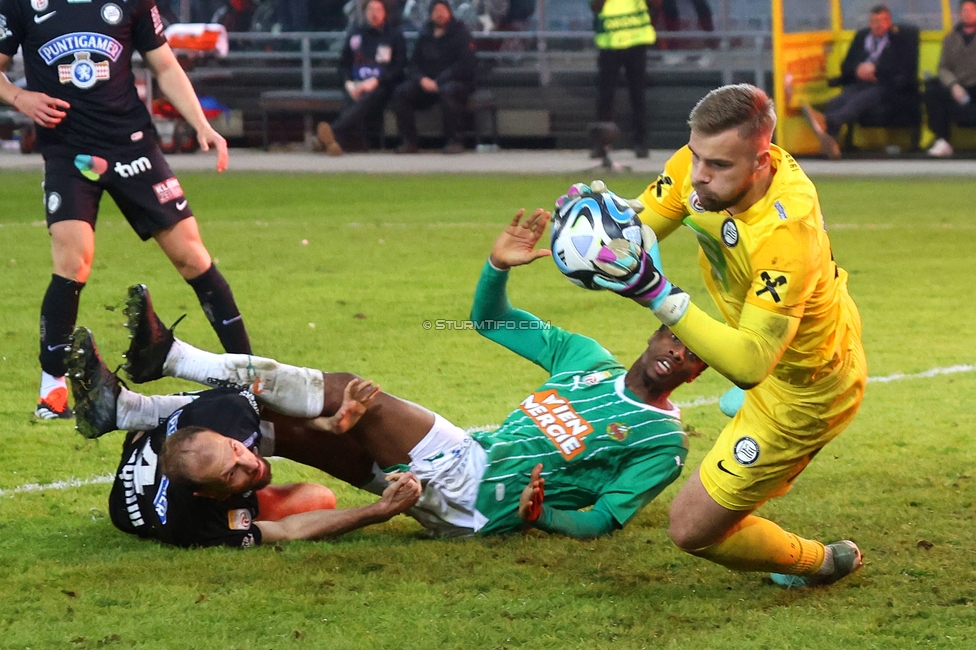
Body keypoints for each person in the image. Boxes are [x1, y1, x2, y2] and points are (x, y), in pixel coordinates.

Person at [73, 218, 707, 539]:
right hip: (462, 462)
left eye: (694, 354)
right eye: (675, 338)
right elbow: (490, 322)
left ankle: (174, 358)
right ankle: (123, 409)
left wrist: (537, 517)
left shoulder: (662, 444)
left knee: (352, 387)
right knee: (286, 427)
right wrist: (496, 266)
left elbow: (603, 521)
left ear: (703, 366)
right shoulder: (586, 360)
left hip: (480, 492)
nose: (677, 356)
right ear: (654, 329)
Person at [587, 83, 867, 587]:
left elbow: (750, 364)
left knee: (691, 529)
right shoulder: (700, 166)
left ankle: (819, 562)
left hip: (806, 387)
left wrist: (656, 292)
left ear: (761, 161)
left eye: (717, 165)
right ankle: (740, 409)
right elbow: (640, 231)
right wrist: (596, 232)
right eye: (695, 155)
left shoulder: (786, 232)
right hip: (767, 346)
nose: (697, 175)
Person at [0, 0, 252, 420]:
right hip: (69, 152)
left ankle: (249, 372)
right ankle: (53, 389)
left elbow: (165, 66)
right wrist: (18, 97)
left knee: (191, 256)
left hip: (132, 145)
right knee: (72, 259)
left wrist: (202, 124)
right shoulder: (22, 3)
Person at [67, 325, 422, 548]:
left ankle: (133, 409)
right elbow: (286, 531)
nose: (249, 463)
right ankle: (134, 406)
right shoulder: (192, 524)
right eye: (231, 473)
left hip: (153, 440)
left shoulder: (225, 417)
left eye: (237, 450)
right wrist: (377, 511)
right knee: (319, 498)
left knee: (246, 398)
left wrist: (326, 424)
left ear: (222, 435)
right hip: (135, 497)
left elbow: (263, 404)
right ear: (206, 492)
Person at [802, 4, 918, 159]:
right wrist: (858, 69)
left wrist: (875, 69)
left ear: (889, 22)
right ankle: (832, 144)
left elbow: (904, 66)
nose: (878, 25)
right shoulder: (862, 37)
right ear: (869, 23)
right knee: (836, 102)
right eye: (874, 21)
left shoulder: (899, 39)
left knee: (857, 101)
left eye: (882, 21)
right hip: (860, 82)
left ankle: (826, 121)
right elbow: (847, 64)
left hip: (886, 85)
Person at [314, 0, 407, 155]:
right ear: (364, 13)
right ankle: (334, 143)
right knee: (354, 98)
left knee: (367, 98)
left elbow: (398, 68)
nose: (374, 13)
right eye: (370, 9)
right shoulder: (356, 34)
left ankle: (332, 133)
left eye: (378, 9)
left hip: (382, 85)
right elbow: (343, 64)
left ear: (385, 12)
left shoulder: (394, 36)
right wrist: (348, 83)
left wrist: (376, 81)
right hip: (355, 84)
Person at [391, 0, 476, 154]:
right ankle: (409, 141)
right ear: (430, 15)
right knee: (401, 93)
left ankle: (455, 141)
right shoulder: (425, 34)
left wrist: (441, 80)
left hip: (456, 83)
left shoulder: (461, 33)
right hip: (427, 83)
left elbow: (466, 65)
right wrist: (421, 79)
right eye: (436, 11)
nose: (439, 14)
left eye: (443, 10)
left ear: (450, 12)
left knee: (448, 91)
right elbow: (413, 64)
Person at [591, 0, 656, 159]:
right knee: (606, 96)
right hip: (610, 44)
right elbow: (595, 6)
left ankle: (640, 142)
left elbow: (656, 4)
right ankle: (602, 144)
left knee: (637, 95)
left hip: (635, 43)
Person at [924, 0, 976, 157]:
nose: (967, 14)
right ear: (959, 14)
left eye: (971, 10)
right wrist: (953, 85)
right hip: (957, 87)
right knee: (932, 89)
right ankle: (943, 140)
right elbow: (943, 67)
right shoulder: (950, 38)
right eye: (964, 11)